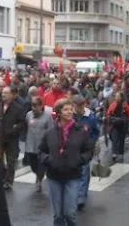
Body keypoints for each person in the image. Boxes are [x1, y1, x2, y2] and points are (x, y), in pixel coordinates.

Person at [38, 98, 93, 226]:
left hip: (73, 176)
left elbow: (89, 151)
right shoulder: (50, 132)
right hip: (54, 176)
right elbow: (41, 151)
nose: (69, 112)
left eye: (70, 109)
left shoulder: (81, 131)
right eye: (66, 109)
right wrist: (49, 160)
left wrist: (79, 160)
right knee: (58, 214)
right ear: (58, 112)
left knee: (70, 213)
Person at [24, 96, 54, 192]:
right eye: (33, 105)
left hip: (42, 145)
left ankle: (39, 181)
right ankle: (37, 175)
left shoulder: (47, 116)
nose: (34, 108)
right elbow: (26, 126)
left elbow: (51, 130)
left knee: (41, 164)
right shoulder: (29, 115)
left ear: (41, 106)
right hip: (31, 144)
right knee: (33, 165)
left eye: (36, 106)